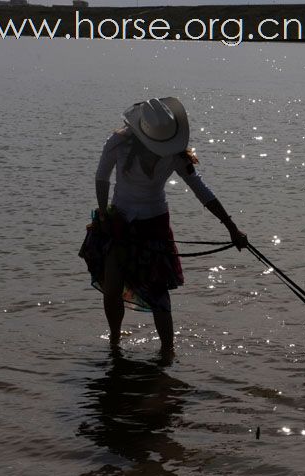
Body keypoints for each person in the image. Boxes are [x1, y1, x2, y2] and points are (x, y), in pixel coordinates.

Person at [82, 97, 248, 354]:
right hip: (120, 221)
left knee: (159, 294)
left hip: (154, 224)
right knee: (112, 287)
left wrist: (231, 227)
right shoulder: (117, 142)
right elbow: (101, 177)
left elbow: (200, 189)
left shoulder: (176, 154)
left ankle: (167, 350)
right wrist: (103, 213)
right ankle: (115, 342)